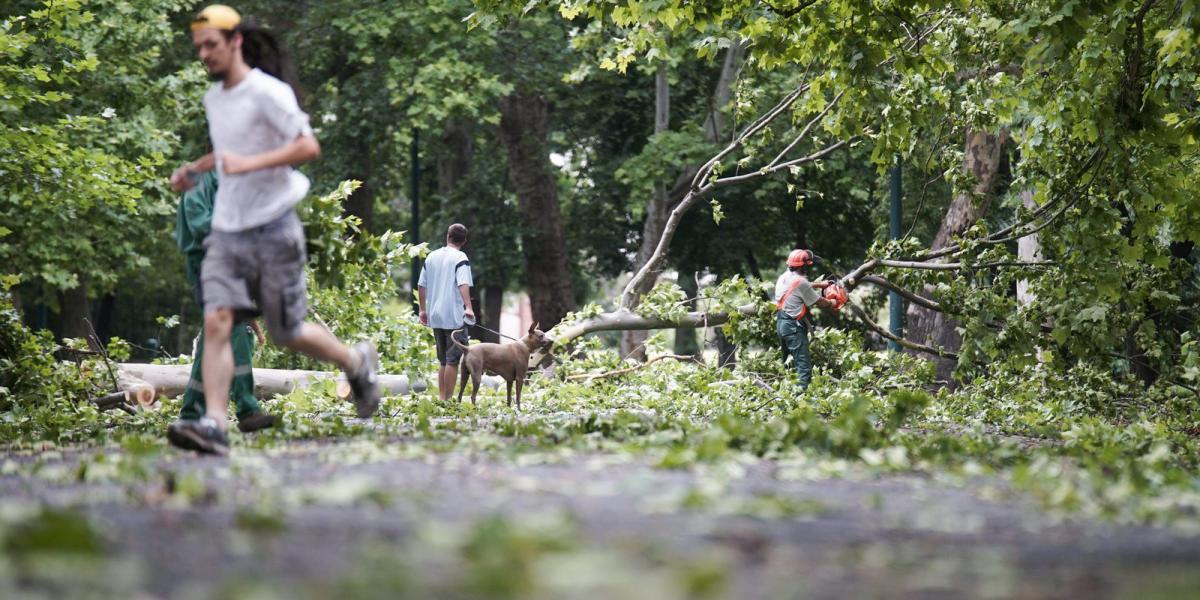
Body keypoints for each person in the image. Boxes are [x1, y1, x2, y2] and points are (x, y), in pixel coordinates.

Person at [166, 5, 380, 455]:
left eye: (211, 45)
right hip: (227, 228)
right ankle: (214, 425)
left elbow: (308, 145)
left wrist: (251, 164)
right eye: (199, 47)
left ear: (235, 41)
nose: (204, 55)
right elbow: (229, 152)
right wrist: (197, 170)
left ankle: (355, 361)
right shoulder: (215, 99)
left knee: (287, 331)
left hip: (273, 225)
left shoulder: (268, 92)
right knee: (218, 321)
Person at [173, 169, 275, 433]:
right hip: (206, 266)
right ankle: (247, 408)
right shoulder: (198, 182)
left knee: (216, 337)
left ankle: (190, 412)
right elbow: (201, 225)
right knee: (234, 329)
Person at [417, 224, 475, 402]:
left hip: (435, 315)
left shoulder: (431, 257)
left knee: (443, 360)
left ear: (447, 236)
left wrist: (422, 310)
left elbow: (421, 284)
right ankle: (447, 401)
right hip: (453, 317)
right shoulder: (460, 257)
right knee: (452, 360)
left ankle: (441, 398)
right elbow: (463, 283)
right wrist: (468, 307)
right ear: (464, 241)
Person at [775, 249, 845, 388]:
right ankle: (801, 400)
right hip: (793, 327)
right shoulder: (801, 282)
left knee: (789, 363)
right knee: (803, 367)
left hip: (781, 323)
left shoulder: (784, 276)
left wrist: (820, 284)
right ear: (804, 266)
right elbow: (820, 302)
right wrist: (834, 302)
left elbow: (800, 285)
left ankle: (786, 393)